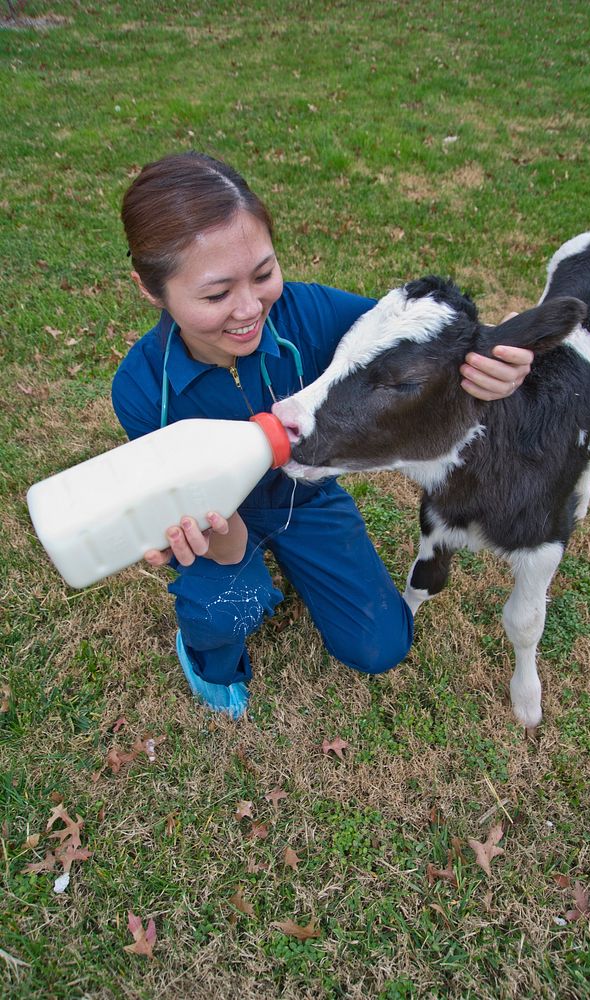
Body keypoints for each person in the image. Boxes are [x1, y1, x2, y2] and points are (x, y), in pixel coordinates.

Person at [112, 152, 533, 719]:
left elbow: (423, 347)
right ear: (151, 289)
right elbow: (195, 509)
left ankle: (298, 560)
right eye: (215, 295)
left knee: (383, 646)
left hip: (307, 499)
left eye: (263, 274)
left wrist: (493, 365)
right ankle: (205, 646)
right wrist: (220, 546)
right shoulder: (142, 390)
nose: (249, 308)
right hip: (224, 519)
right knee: (233, 605)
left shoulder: (309, 313)